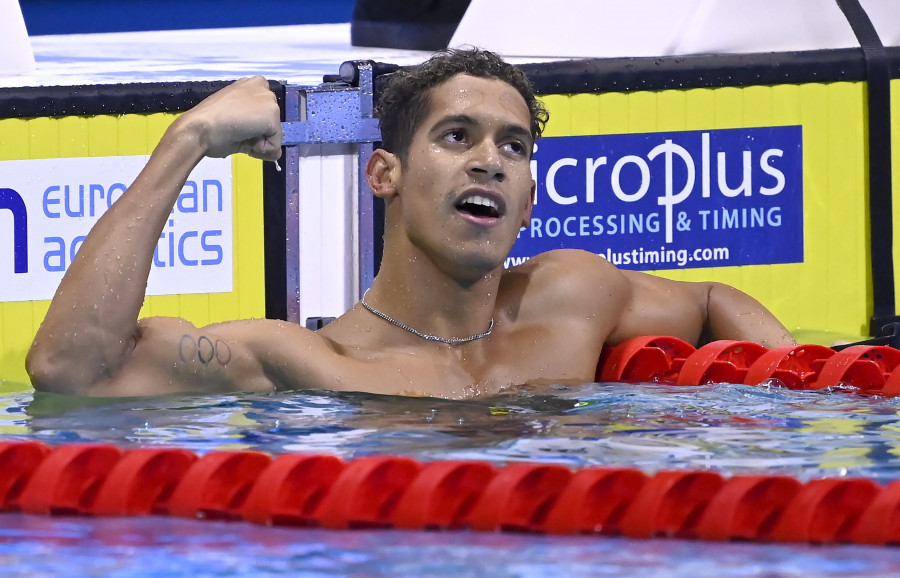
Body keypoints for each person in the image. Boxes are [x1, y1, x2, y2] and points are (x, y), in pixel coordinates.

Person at [26, 49, 795, 399]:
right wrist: (186, 140)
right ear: (383, 174)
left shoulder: (571, 297)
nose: (489, 161)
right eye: (457, 136)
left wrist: (794, 382)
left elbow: (710, 300)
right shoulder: (301, 361)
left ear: (528, 198)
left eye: (513, 146)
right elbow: (70, 371)